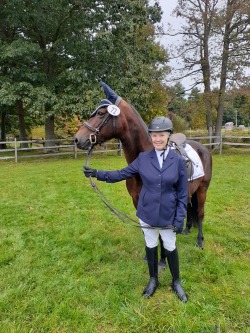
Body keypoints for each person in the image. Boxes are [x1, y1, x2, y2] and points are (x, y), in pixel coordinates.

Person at [84, 116, 188, 302]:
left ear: (168, 136)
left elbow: (182, 193)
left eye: (161, 135)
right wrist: (97, 174)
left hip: (168, 215)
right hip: (147, 213)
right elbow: (121, 174)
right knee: (150, 246)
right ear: (150, 136)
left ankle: (176, 281)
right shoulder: (143, 159)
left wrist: (180, 218)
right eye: (154, 135)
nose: (157, 139)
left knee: (170, 247)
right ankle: (153, 279)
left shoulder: (178, 161)